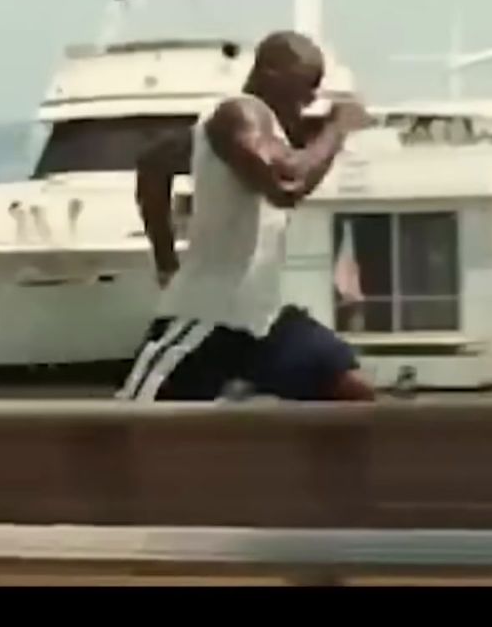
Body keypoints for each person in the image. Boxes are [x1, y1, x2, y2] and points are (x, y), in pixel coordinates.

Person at [116, 31, 377, 403]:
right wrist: (336, 127)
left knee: (352, 391)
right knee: (129, 428)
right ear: (271, 74)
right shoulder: (236, 114)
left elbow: (153, 165)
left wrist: (165, 259)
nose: (309, 101)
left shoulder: (249, 132)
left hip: (263, 321)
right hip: (208, 317)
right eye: (306, 88)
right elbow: (287, 185)